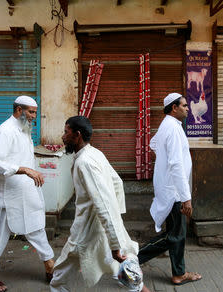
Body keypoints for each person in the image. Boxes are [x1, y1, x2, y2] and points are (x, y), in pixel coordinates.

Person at [50, 116, 150, 292]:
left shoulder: (84, 162)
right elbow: (117, 183)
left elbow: (103, 203)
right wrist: (115, 223)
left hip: (88, 227)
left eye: (66, 132)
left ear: (77, 135)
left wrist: (114, 237)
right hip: (102, 225)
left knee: (61, 271)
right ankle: (140, 288)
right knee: (117, 265)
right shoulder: (94, 153)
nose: (63, 137)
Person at [0, 95, 55, 292]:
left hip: (25, 191)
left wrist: (30, 171)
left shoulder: (24, 131)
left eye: (35, 113)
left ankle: (50, 266)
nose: (33, 116)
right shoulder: (4, 131)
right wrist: (25, 170)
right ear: (19, 110)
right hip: (6, 196)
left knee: (36, 227)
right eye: (31, 112)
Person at [137, 93, 202, 286]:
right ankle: (134, 259)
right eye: (184, 106)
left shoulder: (169, 125)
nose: (187, 108)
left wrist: (162, 159)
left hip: (169, 188)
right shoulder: (172, 129)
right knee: (175, 235)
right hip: (174, 191)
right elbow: (176, 164)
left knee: (175, 234)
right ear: (174, 108)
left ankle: (178, 273)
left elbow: (154, 144)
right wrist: (186, 198)